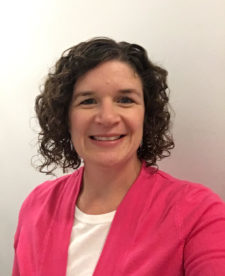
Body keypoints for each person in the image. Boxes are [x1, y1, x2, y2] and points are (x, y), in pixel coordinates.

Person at [13, 37, 225, 275]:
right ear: (65, 117)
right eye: (88, 101)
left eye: (125, 100)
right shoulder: (36, 206)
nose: (107, 117)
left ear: (146, 114)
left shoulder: (197, 213)